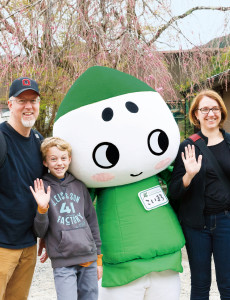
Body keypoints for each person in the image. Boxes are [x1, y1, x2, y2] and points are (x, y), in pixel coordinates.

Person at [169, 89, 230, 299]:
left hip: (226, 221)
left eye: (215, 109)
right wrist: (188, 175)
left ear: (221, 112)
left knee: (228, 283)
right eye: (205, 109)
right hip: (197, 225)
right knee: (200, 284)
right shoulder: (187, 147)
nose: (210, 114)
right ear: (196, 114)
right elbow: (174, 191)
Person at [30, 137, 102, 300]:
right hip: (63, 260)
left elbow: (92, 221)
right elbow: (40, 231)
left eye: (63, 158)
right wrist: (42, 208)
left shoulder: (79, 186)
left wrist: (98, 258)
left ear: (69, 159)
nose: (59, 163)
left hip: (88, 257)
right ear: (45, 162)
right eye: (53, 159)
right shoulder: (43, 187)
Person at [0, 77, 44, 300]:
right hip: (2, 246)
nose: (28, 106)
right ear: (10, 105)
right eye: (21, 100)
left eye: (33, 100)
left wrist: (46, 232)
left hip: (28, 245)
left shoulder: (39, 141)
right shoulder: (1, 138)